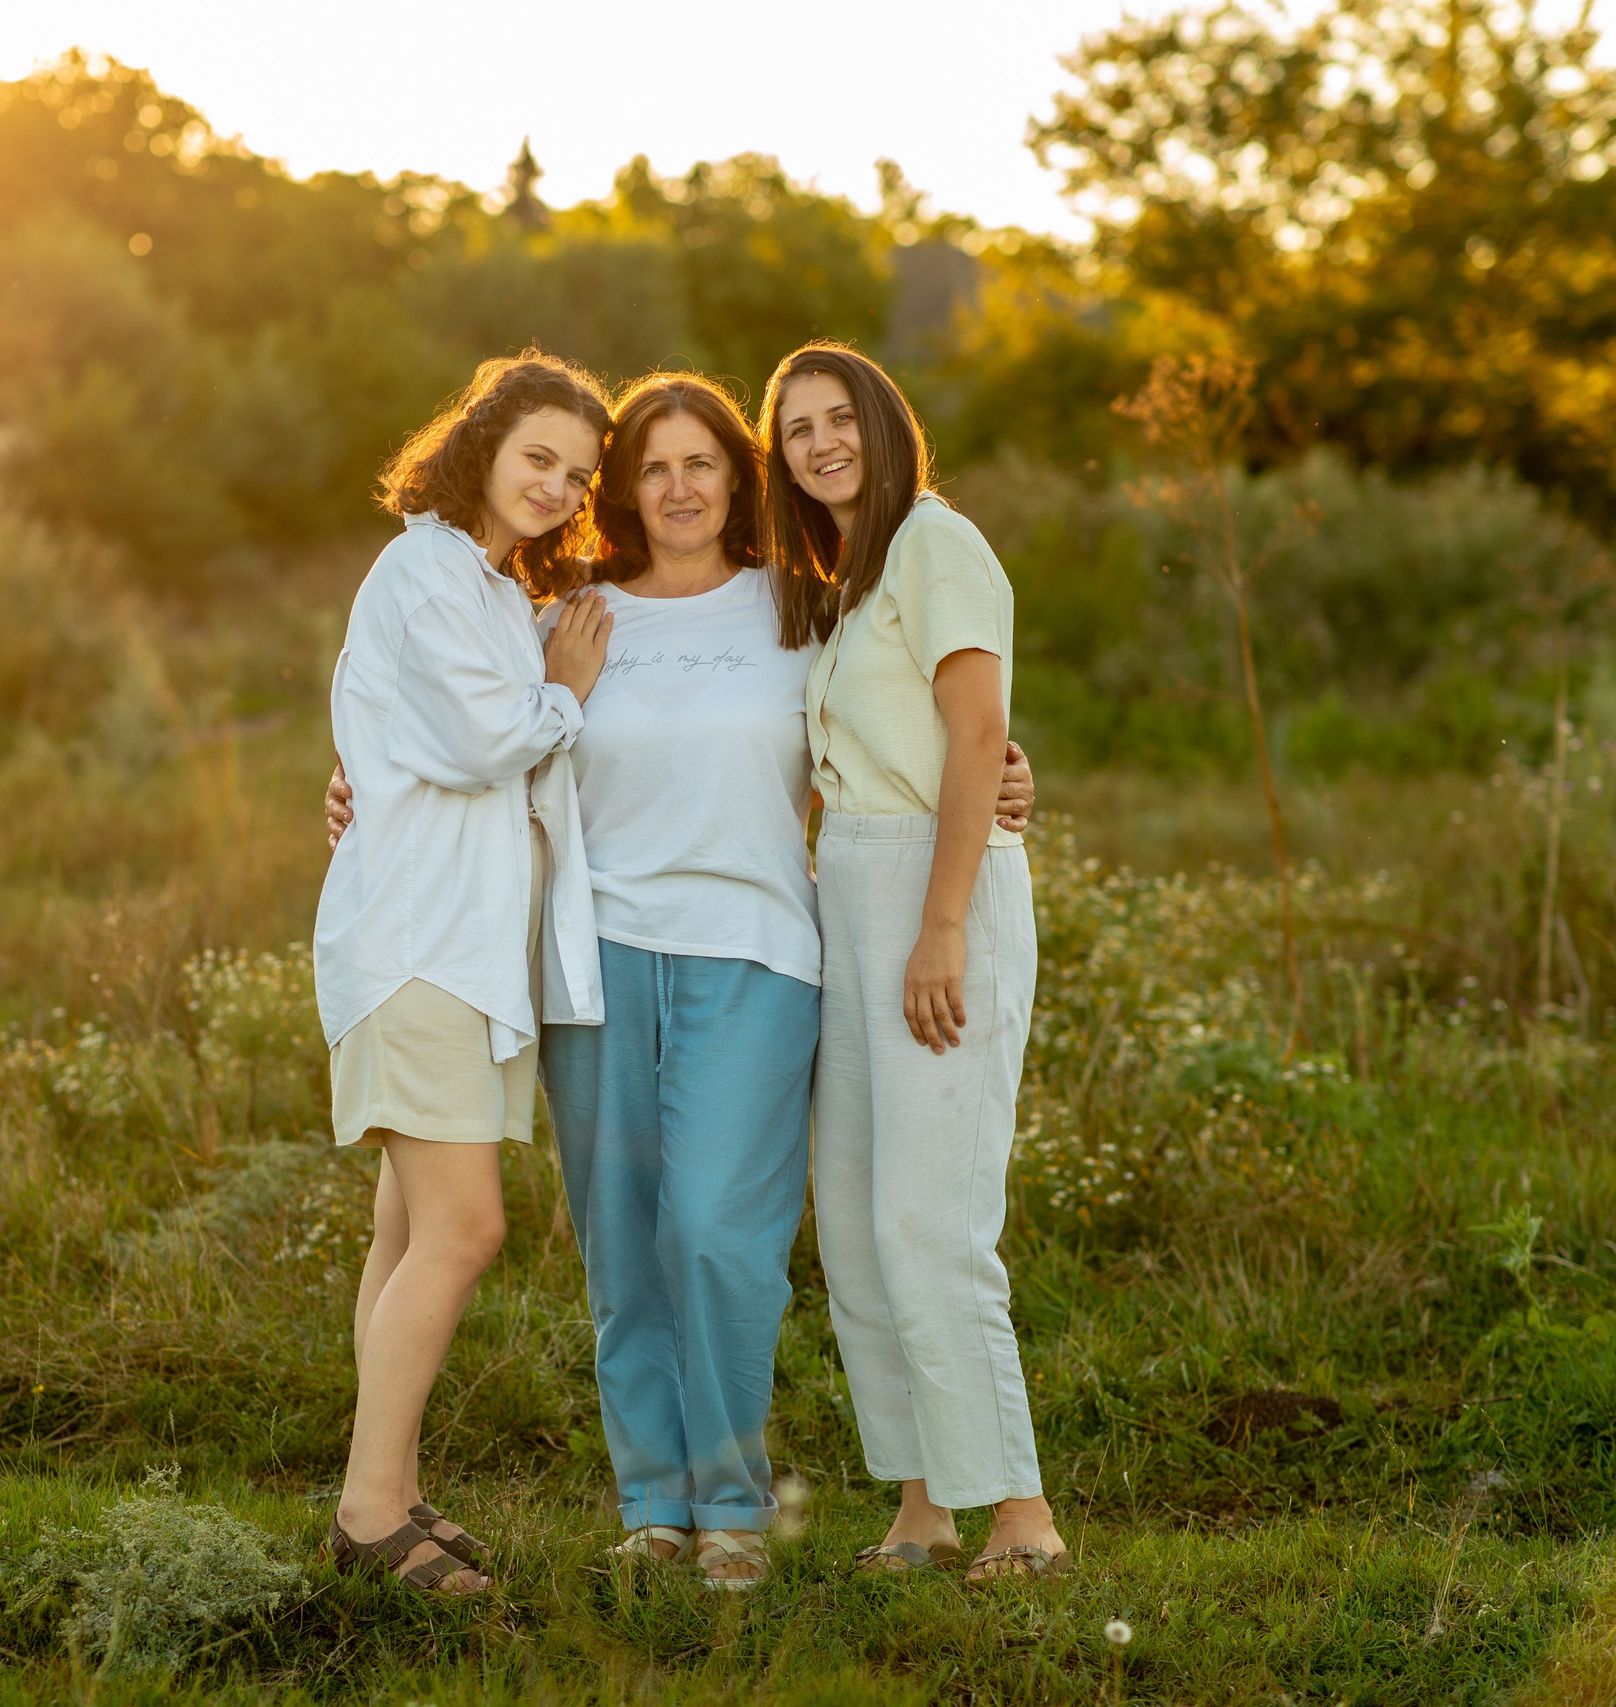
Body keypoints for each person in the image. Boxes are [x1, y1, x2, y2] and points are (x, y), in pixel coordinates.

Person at [325, 369, 1036, 1589]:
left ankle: (733, 1509)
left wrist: (1010, 774)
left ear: (736, 478)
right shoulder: (567, 613)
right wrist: (352, 784)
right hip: (592, 960)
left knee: (720, 1235)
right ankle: (655, 1505)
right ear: (622, 493)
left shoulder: (798, 605)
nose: (678, 486)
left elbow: (901, 720)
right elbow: (459, 716)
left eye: (701, 462)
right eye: (650, 467)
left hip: (760, 953)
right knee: (625, 1247)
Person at [762, 341, 1067, 1583]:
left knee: (930, 1220)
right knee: (857, 1223)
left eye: (841, 418)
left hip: (937, 892)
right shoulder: (841, 580)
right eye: (796, 430)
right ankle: (922, 1505)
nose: (822, 442)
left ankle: (1022, 1519)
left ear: (886, 426)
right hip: (852, 890)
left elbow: (977, 732)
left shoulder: (940, 543)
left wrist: (942, 925)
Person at [312, 350, 615, 1596]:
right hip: (418, 941)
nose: (555, 484)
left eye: (578, 473)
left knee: (406, 1228)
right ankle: (368, 1514)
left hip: (467, 950)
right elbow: (490, 739)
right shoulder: (429, 568)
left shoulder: (491, 587)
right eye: (537, 456)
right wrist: (566, 690)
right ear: (482, 442)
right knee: (464, 1225)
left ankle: (391, 1484)